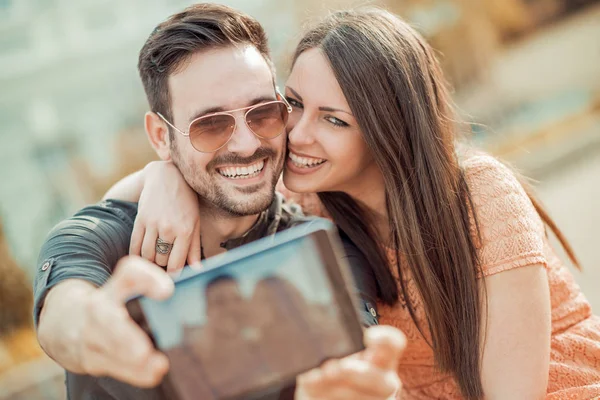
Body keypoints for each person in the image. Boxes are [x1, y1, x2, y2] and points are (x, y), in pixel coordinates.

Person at [122, 7, 600, 400]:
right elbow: (166, 180)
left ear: (386, 131)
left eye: (334, 121)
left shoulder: (476, 194)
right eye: (293, 105)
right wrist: (163, 174)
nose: (298, 133)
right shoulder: (310, 202)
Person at [32, 4, 404, 400]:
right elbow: (65, 310)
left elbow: (355, 369)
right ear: (161, 137)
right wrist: (87, 327)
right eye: (210, 125)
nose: (247, 145)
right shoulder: (103, 236)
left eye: (263, 114)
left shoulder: (324, 251)